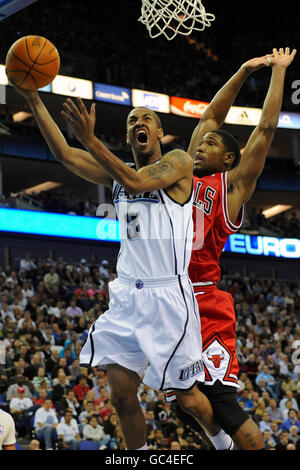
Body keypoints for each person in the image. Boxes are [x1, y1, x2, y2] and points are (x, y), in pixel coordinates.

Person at [166, 47, 297, 450]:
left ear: (228, 158)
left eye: (208, 145)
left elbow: (267, 129)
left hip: (204, 299)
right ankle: (222, 446)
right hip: (169, 297)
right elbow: (209, 116)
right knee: (184, 402)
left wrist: (278, 72)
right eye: (198, 144)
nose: (198, 147)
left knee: (223, 402)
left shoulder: (231, 187)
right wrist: (241, 71)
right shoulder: (184, 172)